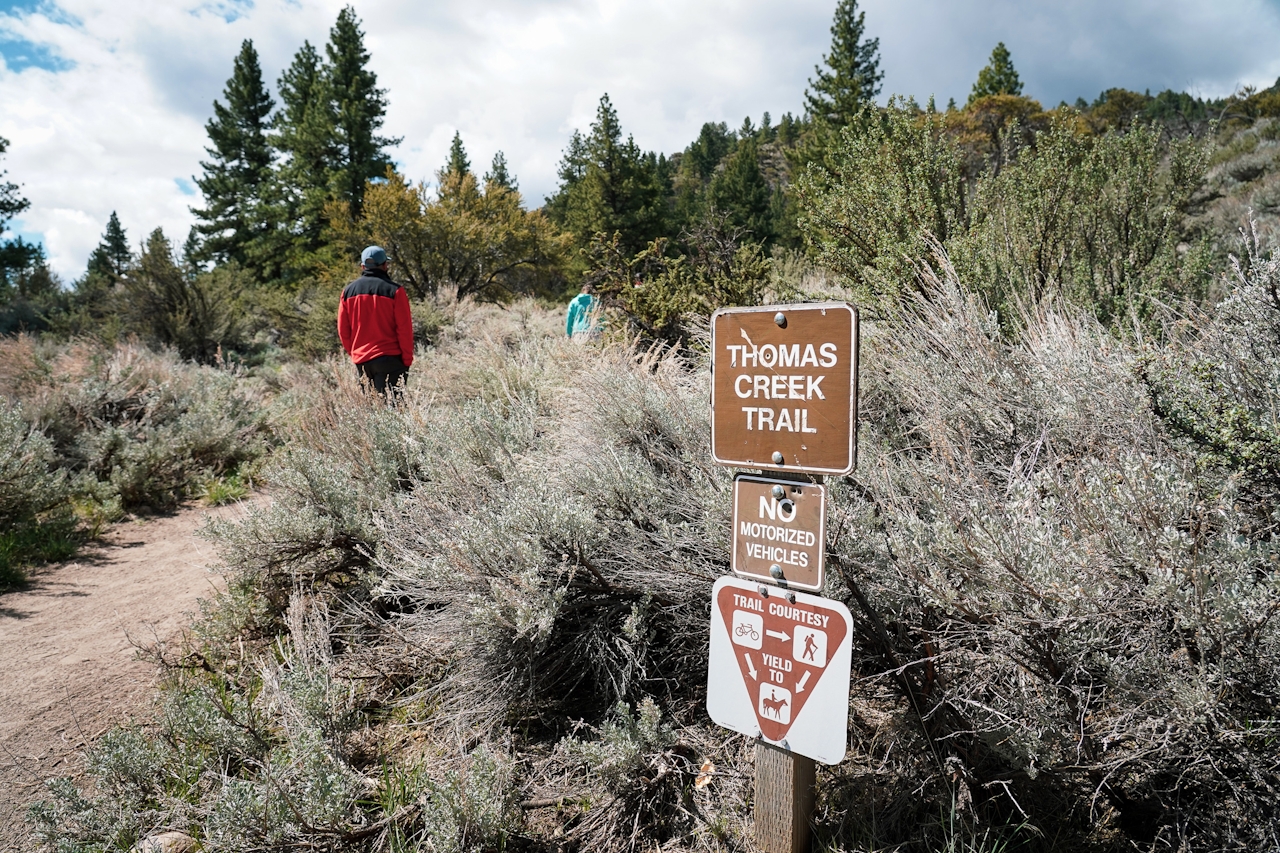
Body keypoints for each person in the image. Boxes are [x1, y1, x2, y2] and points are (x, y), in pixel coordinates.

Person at [337, 246, 414, 398]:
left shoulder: (347, 292)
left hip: (363, 361)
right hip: (391, 359)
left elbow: (343, 330)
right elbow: (404, 329)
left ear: (362, 266)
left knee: (372, 413)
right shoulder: (395, 291)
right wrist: (406, 360)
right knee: (393, 412)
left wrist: (355, 354)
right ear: (385, 265)